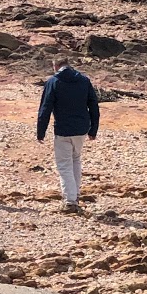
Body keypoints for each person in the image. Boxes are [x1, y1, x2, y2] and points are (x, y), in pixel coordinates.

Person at [36, 54, 100, 210]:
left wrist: (41, 131)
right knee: (75, 159)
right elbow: (93, 105)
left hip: (63, 129)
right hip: (81, 128)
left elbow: (45, 108)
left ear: (55, 66)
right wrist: (94, 129)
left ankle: (70, 200)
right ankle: (75, 194)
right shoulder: (84, 80)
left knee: (64, 165)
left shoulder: (53, 82)